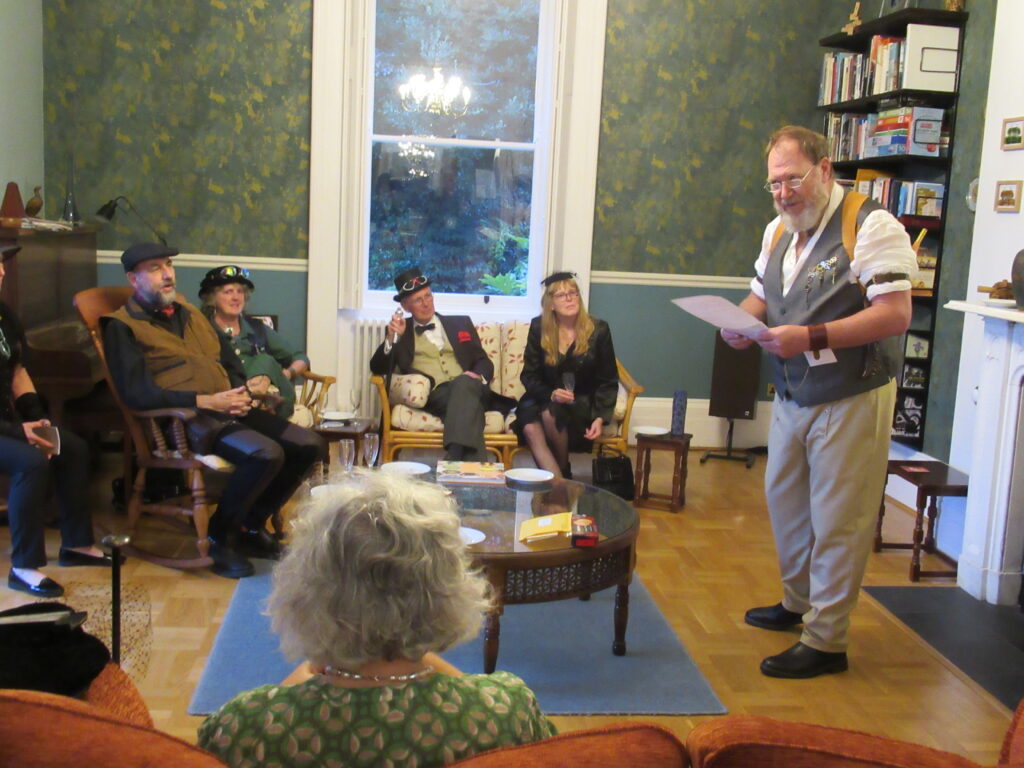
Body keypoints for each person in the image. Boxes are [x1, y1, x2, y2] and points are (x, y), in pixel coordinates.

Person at [722, 126, 915, 679]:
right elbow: (761, 297)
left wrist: (811, 337)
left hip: (851, 396)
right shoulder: (778, 231)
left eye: (794, 179)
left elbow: (895, 314)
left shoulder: (870, 225)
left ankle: (827, 639)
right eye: (775, 182)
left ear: (825, 170)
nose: (784, 192)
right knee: (786, 506)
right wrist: (737, 324)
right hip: (792, 394)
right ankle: (797, 602)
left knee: (838, 519)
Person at [198, 471, 556, 767]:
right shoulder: (506, 713)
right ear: (448, 587)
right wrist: (416, 650)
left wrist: (321, 659)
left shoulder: (246, 727)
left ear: (303, 589)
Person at [102, 243, 325, 580]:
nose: (167, 274)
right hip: (184, 420)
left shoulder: (189, 313)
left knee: (309, 445)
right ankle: (221, 537)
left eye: (168, 265)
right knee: (266, 454)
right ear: (133, 279)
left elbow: (231, 362)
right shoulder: (122, 326)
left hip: (227, 407)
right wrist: (206, 401)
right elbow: (137, 394)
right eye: (154, 268)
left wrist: (242, 392)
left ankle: (250, 527)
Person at [0, 245, 115, 598]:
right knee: (31, 463)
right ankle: (24, 567)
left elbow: (18, 370)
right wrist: (18, 431)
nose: (2, 272)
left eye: (1, 264)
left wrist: (37, 417)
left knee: (73, 447)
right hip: (4, 429)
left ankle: (76, 545)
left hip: (8, 422)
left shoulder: (4, 315)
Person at [369, 267, 514, 460]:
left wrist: (477, 376)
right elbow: (377, 368)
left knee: (464, 384)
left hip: (473, 387)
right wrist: (391, 339)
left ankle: (454, 455)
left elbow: (482, 361)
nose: (426, 303)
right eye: (418, 300)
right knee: (470, 407)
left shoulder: (460, 323)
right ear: (405, 306)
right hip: (438, 395)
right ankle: (464, 463)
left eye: (428, 296)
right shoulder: (402, 333)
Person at [516, 272, 619, 479]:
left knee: (550, 414)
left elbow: (608, 380)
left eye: (573, 293)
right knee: (529, 425)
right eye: (561, 295)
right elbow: (529, 375)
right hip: (543, 396)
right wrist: (551, 394)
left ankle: (559, 479)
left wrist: (600, 417)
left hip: (578, 402)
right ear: (551, 304)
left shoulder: (598, 330)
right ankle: (561, 483)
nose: (570, 298)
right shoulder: (539, 327)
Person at [198, 265, 309, 421]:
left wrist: (285, 373)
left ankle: (254, 403)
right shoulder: (202, 330)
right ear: (212, 298)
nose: (236, 297)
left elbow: (301, 358)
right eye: (228, 292)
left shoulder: (257, 328)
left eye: (240, 291)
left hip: (276, 407)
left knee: (266, 361)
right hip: (228, 406)